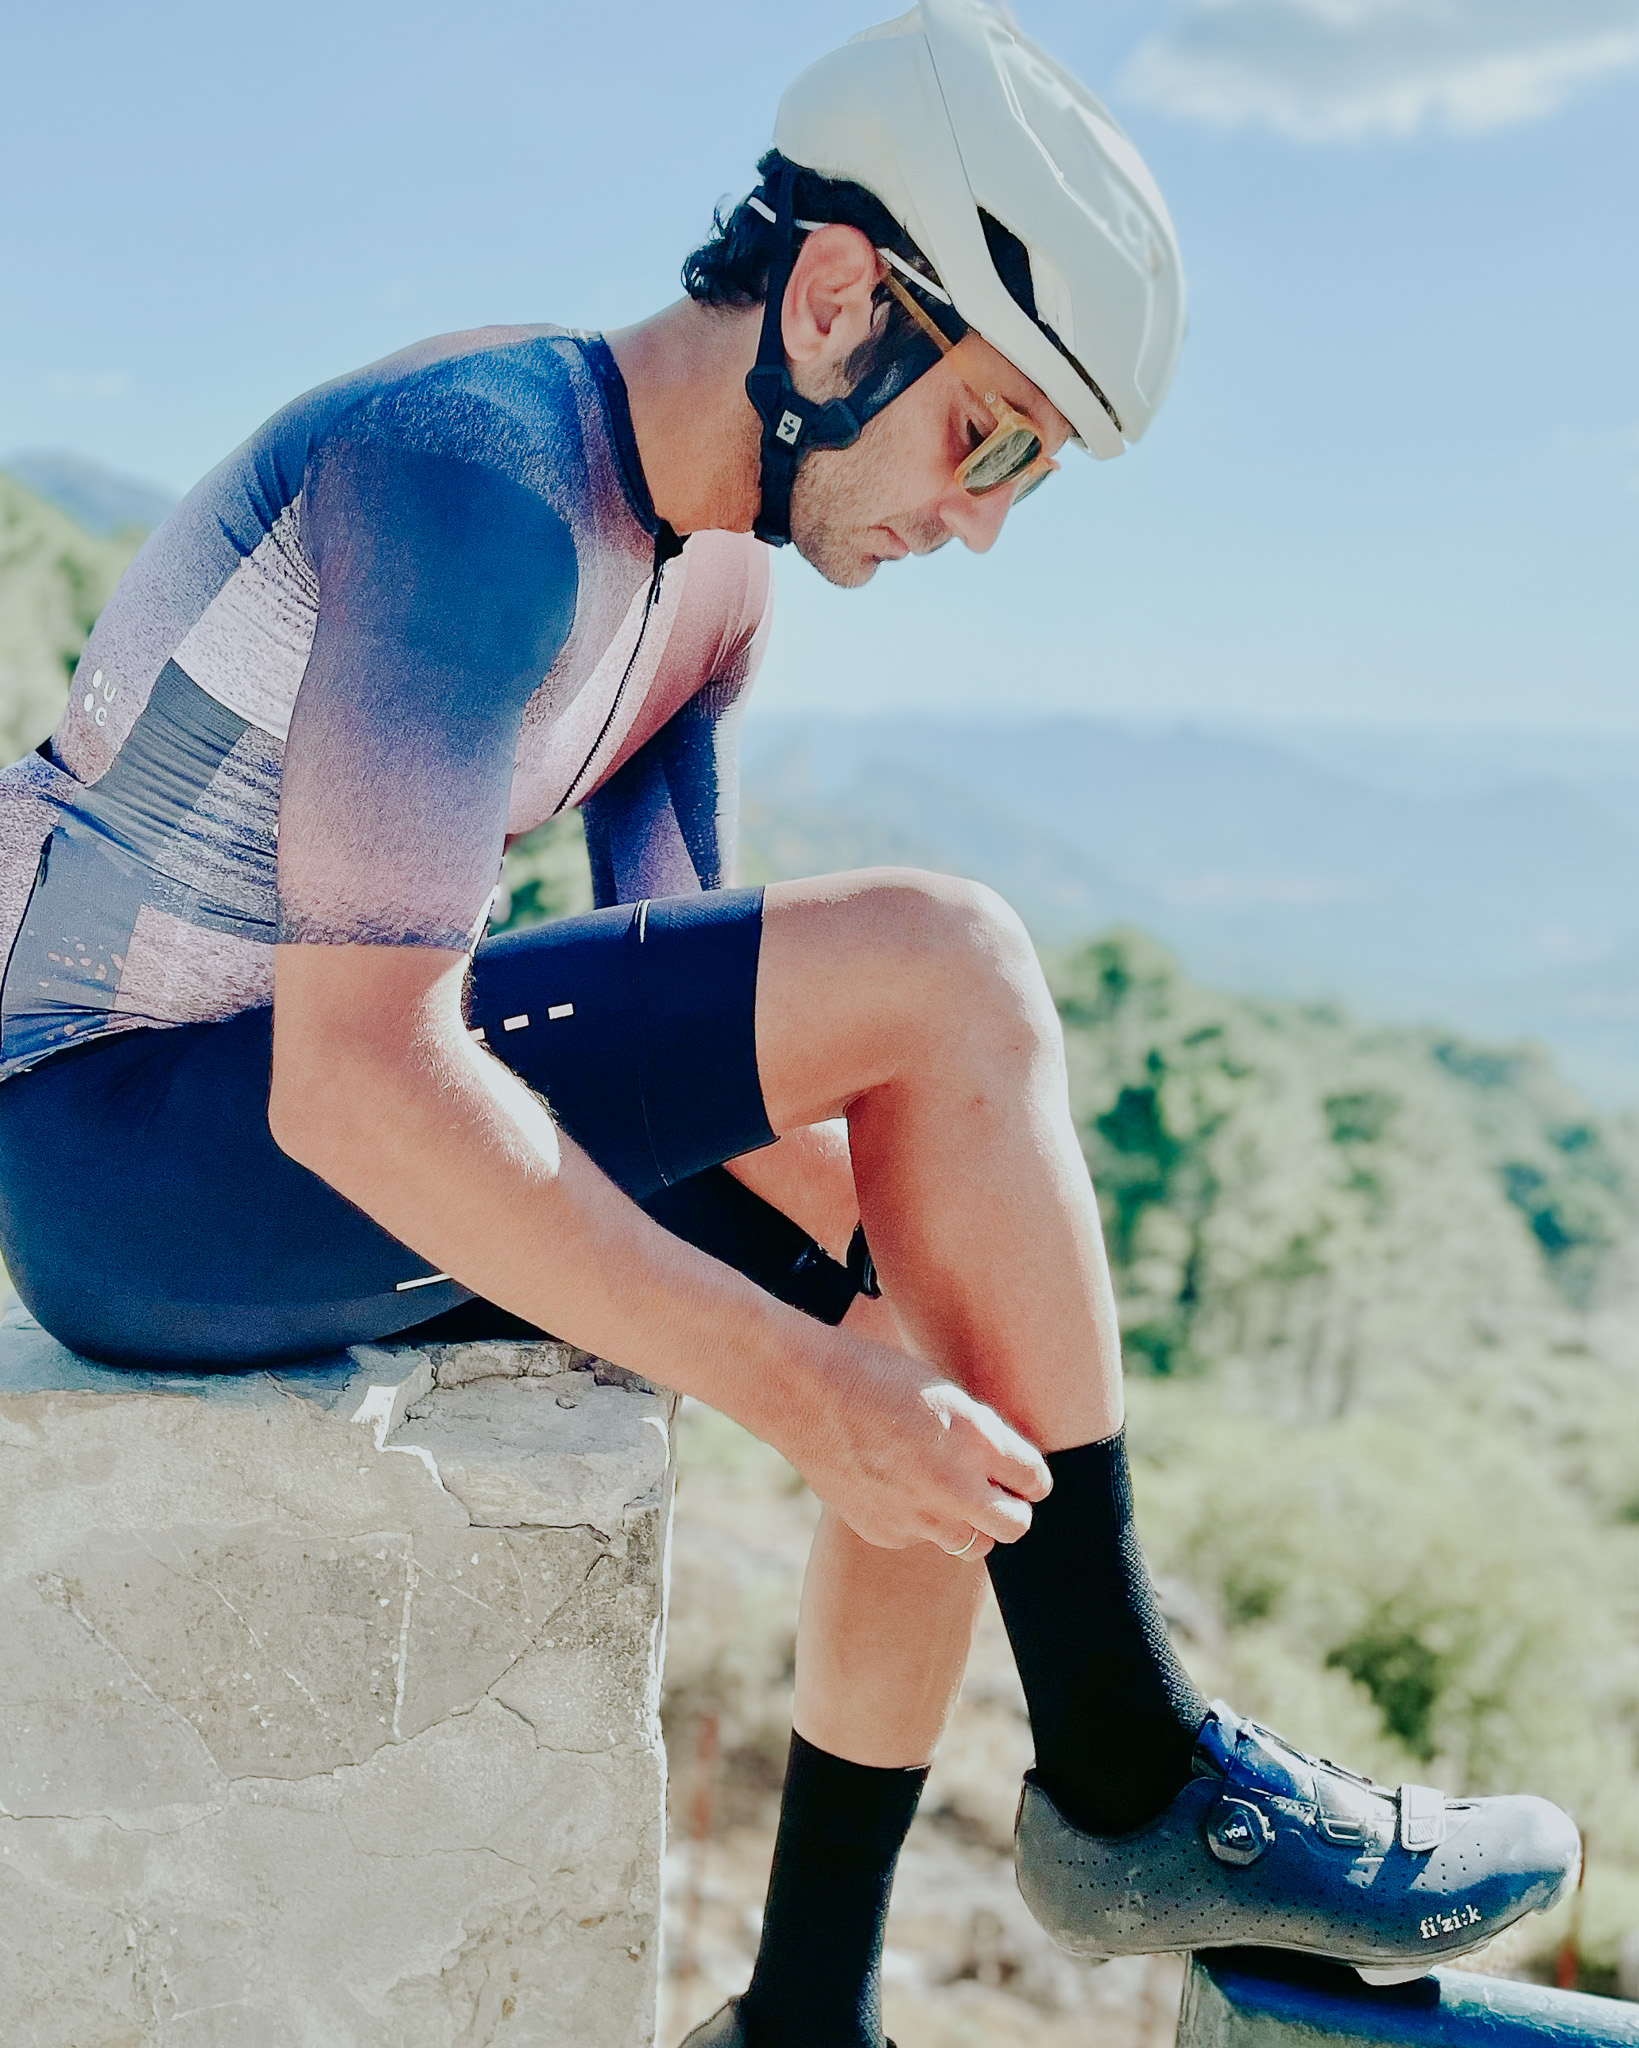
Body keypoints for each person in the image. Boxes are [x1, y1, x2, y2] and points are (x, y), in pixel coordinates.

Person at [0, 4, 1578, 2045]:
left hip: (280, 1141)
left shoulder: (709, 589)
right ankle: (1129, 1772)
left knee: (919, 1287)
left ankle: (806, 2013)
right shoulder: (470, 480)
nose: (986, 516)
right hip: (126, 1154)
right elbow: (361, 1074)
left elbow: (695, 1031)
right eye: (990, 434)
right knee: (951, 955)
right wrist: (801, 1395)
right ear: (839, 298)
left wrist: (914, 1293)